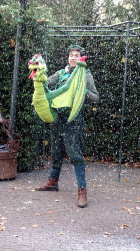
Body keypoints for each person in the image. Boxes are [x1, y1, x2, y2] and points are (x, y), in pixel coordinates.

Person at [35, 45, 99, 208]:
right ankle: (53, 182)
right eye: (71, 55)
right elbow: (45, 85)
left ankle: (82, 191)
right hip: (58, 118)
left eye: (76, 55)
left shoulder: (85, 74)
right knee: (56, 152)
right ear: (68, 58)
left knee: (75, 155)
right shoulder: (61, 73)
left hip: (74, 119)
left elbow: (96, 98)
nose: (73, 58)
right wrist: (39, 76)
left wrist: (82, 91)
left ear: (81, 58)